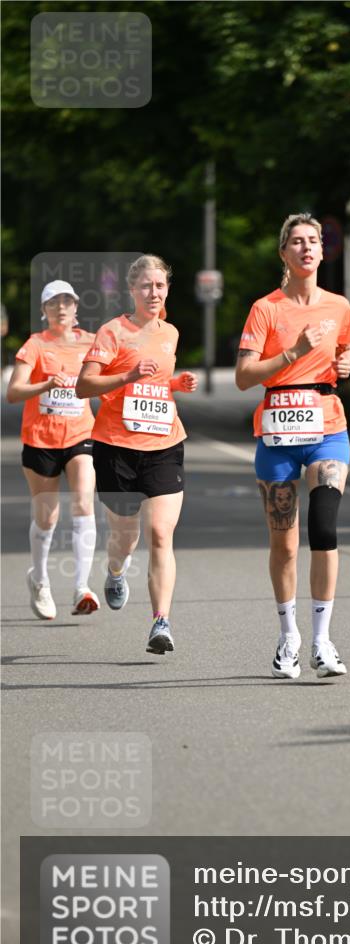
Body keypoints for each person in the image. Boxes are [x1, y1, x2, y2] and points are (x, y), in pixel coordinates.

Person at [236, 212, 350, 680]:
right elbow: (245, 376)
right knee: (284, 544)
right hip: (278, 433)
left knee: (324, 528)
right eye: (297, 242)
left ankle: (323, 641)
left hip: (328, 427)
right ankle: (289, 638)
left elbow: (347, 349)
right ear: (283, 253)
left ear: (323, 251)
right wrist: (294, 352)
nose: (307, 248)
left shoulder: (340, 306)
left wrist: (347, 360)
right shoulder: (265, 309)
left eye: (314, 241)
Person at [76, 255, 197, 654]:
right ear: (132, 290)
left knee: (161, 533)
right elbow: (84, 386)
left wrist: (176, 383)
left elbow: (157, 385)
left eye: (160, 286)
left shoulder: (171, 333)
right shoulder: (113, 332)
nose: (154, 293)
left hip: (164, 443)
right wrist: (127, 375)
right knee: (125, 539)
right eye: (146, 286)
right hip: (115, 448)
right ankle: (115, 571)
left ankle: (160, 622)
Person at [7, 280, 99, 619]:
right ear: (44, 311)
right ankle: (40, 579)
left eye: (67, 301)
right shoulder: (34, 346)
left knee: (84, 501)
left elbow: (118, 378)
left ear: (76, 307)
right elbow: (14, 392)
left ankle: (81, 587)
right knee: (47, 518)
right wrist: (47, 383)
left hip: (80, 434)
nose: (61, 307)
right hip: (41, 439)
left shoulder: (92, 343)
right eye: (53, 303)